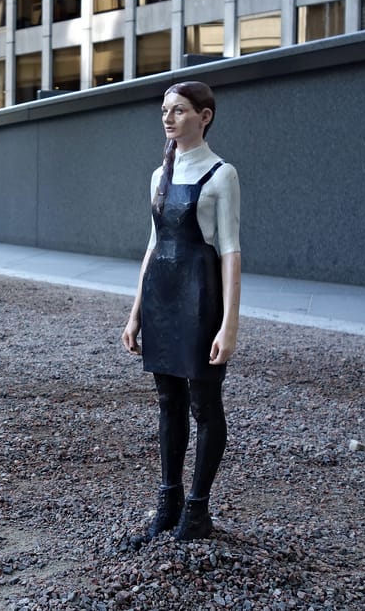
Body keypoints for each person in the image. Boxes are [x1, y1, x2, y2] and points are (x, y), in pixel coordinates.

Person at [121, 81, 241, 542]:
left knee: (204, 405)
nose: (168, 119)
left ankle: (197, 510)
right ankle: (168, 504)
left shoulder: (222, 175)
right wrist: (135, 313)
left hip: (201, 297)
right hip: (162, 297)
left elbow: (230, 252)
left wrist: (229, 323)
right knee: (168, 402)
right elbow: (152, 246)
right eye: (165, 111)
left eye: (179, 110)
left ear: (204, 117)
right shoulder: (159, 175)